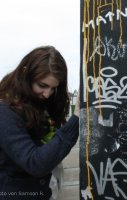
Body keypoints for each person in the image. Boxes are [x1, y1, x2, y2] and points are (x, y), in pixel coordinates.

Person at [0, 46, 79, 200]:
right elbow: (35, 163)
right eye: (42, 86)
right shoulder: (4, 111)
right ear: (25, 73)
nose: (47, 94)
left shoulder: (36, 103)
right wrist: (75, 120)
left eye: (53, 88)